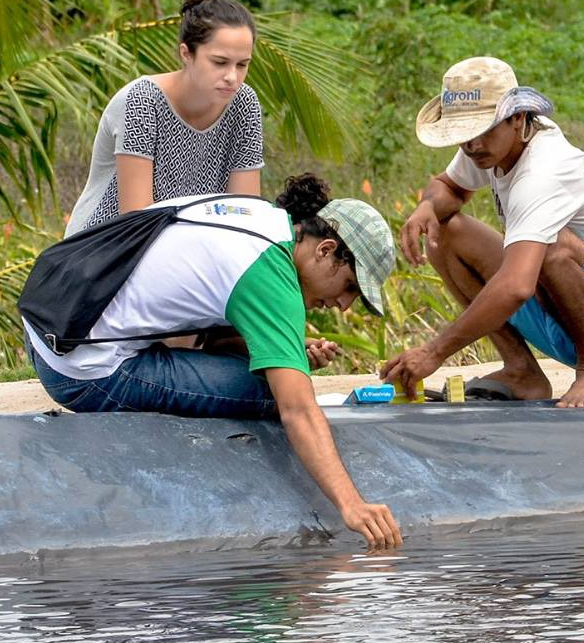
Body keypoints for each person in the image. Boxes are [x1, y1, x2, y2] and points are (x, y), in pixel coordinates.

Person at [25, 174, 404, 550]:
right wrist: (352, 506)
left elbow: (210, 320)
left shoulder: (261, 220)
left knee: (279, 373)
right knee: (269, 393)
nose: (343, 305)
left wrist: (283, 349)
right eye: (351, 287)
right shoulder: (272, 278)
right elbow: (298, 410)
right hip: (83, 370)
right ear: (325, 250)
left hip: (49, 329)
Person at [379, 56, 584, 409]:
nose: (471, 146)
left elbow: (516, 286)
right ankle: (521, 370)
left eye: (481, 131)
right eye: (464, 136)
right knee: (447, 233)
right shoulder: (491, 145)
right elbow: (448, 188)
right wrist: (426, 207)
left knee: (548, 244)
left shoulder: (544, 170)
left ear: (516, 118)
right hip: (563, 313)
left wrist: (434, 352)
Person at [64, 0, 265, 235]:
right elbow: (137, 220)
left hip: (191, 248)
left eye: (242, 65)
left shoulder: (244, 104)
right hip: (103, 251)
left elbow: (244, 215)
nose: (232, 77)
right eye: (219, 62)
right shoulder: (143, 100)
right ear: (186, 54)